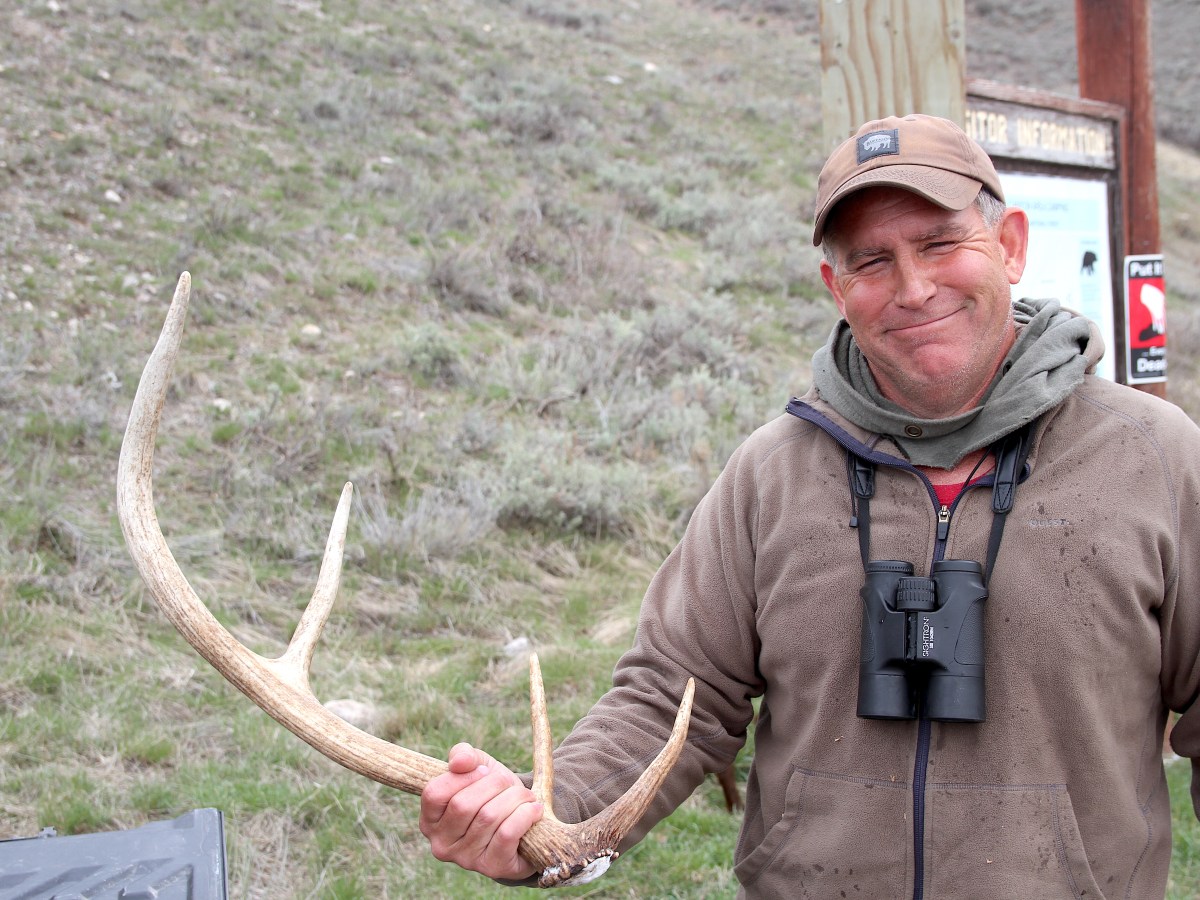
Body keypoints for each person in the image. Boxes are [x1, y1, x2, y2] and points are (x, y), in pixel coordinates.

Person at [418, 114, 1200, 898]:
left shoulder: (1153, 458)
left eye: (940, 243)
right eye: (872, 261)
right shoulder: (773, 474)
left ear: (1011, 246)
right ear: (836, 287)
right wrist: (544, 825)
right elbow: (673, 692)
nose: (914, 287)